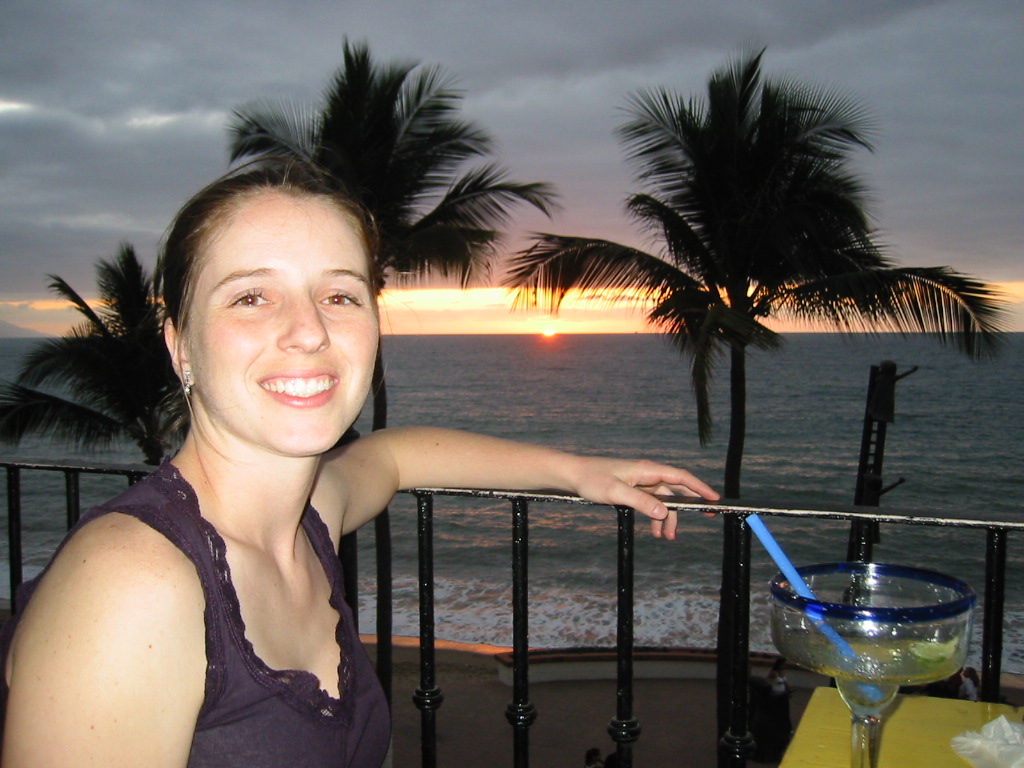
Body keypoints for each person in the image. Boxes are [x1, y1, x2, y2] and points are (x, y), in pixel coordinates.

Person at [0, 158, 719, 768]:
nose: (308, 330)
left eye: (340, 294)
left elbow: (396, 455)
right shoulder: (134, 586)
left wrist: (582, 473)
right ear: (180, 346)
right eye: (251, 296)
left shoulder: (313, 515)